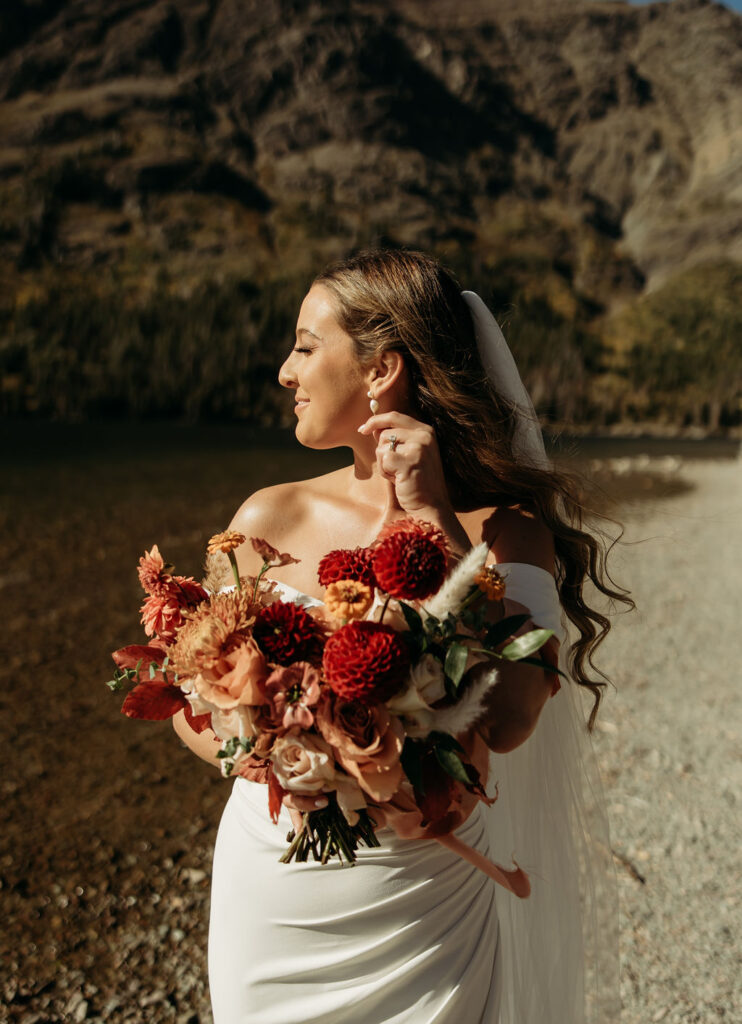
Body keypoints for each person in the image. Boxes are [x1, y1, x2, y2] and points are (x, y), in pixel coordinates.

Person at [173, 249, 632, 1023]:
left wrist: (438, 520)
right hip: (274, 885)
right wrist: (297, 752)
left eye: (306, 347)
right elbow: (194, 706)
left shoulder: (510, 535)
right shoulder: (263, 520)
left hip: (424, 898)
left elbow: (514, 716)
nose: (286, 371)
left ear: (382, 369)